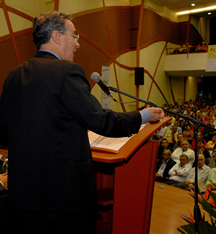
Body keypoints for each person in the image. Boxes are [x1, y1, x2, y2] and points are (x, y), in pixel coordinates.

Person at [0, 11, 164, 234]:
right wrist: (143, 115)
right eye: (74, 36)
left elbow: (4, 132)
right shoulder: (67, 71)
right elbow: (101, 121)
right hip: (64, 200)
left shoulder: (13, 76)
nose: (77, 44)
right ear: (57, 37)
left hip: (23, 198)